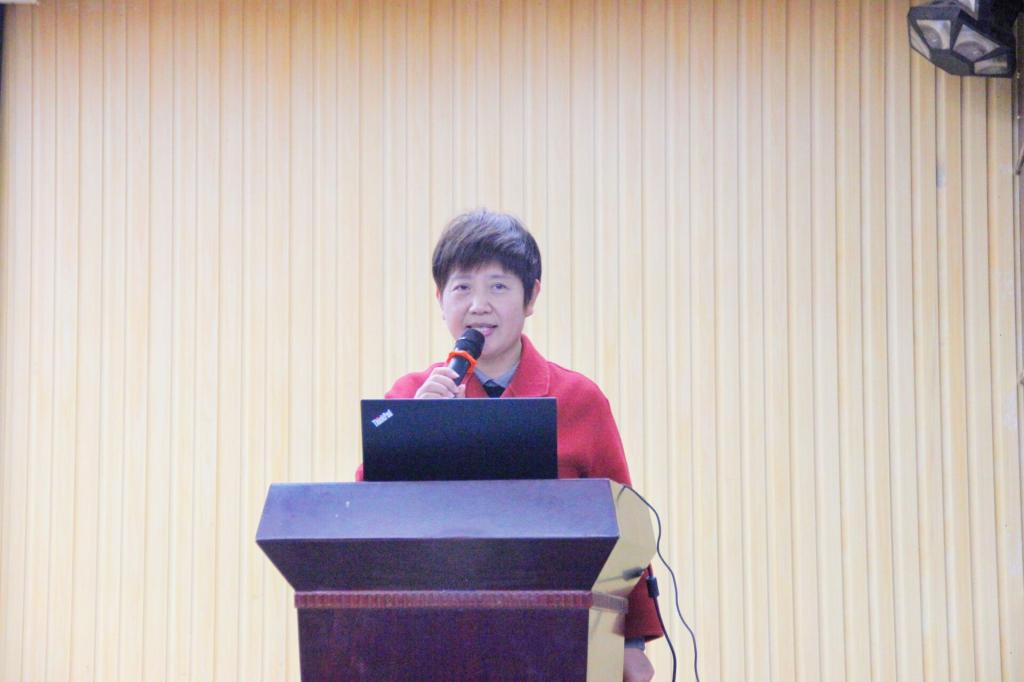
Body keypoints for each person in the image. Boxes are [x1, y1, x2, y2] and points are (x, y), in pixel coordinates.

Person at [385, 209, 661, 681]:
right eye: (462, 287)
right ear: (440, 299)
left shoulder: (579, 399)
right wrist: (416, 431)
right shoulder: (409, 397)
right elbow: (365, 523)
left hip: (564, 637)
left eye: (498, 286)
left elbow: (624, 526)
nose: (478, 305)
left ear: (531, 297)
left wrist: (632, 641)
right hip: (439, 636)